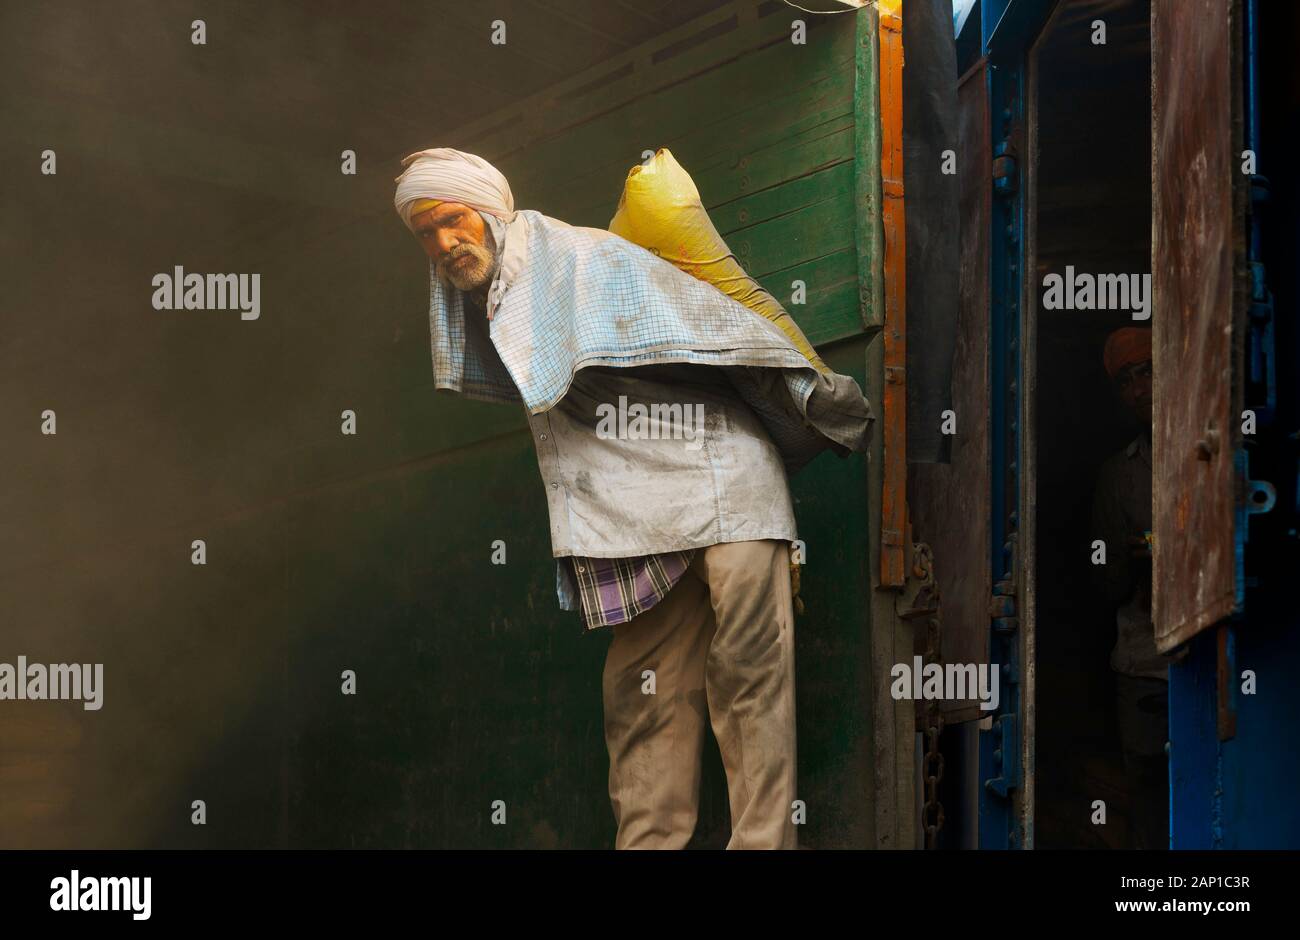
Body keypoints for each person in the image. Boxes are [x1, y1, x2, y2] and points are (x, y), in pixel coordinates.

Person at [392, 148, 873, 848]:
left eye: (450, 220)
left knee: (749, 685)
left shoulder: (585, 259)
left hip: (725, 485)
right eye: (424, 233)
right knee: (642, 703)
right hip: (634, 519)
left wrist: (806, 395)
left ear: (491, 210)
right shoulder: (498, 298)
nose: (441, 243)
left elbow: (717, 330)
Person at [1090, 326, 1183, 849]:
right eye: (1125, 380)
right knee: (1150, 797)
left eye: (1146, 371)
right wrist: (1129, 559)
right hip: (1144, 665)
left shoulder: (1208, 450)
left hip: (1209, 658)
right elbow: (1103, 586)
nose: (1138, 387)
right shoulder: (1117, 477)